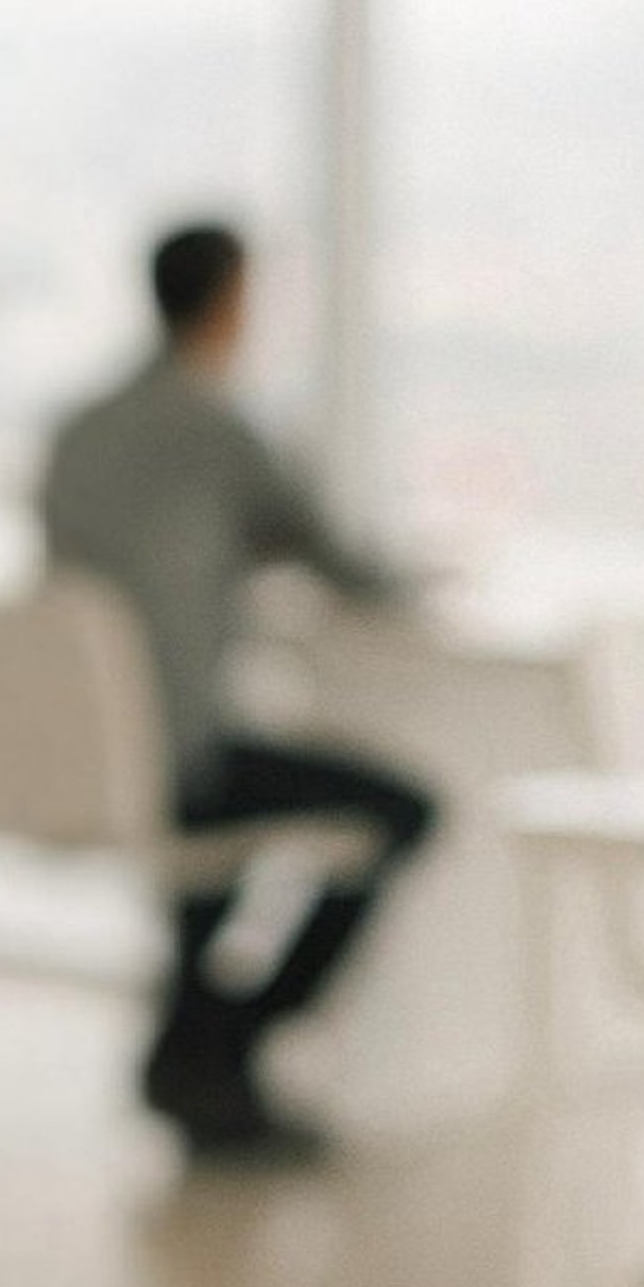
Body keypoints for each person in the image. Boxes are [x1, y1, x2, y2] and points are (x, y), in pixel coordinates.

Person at [41, 220, 438, 1171]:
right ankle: (227, 1040)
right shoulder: (217, 426)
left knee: (213, 852)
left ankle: (196, 1061)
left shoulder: (79, 429)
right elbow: (337, 559)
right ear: (230, 301)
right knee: (400, 810)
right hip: (183, 748)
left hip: (92, 745)